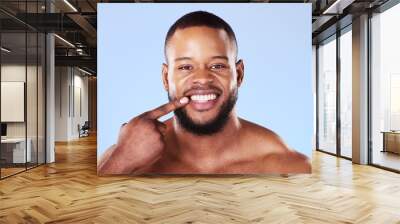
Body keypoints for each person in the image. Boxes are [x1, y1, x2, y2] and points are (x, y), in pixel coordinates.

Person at [98, 11, 311, 175]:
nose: (202, 78)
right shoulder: (120, 159)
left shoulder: (288, 166)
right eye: (185, 67)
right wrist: (122, 162)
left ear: (238, 74)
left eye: (217, 66)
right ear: (165, 78)